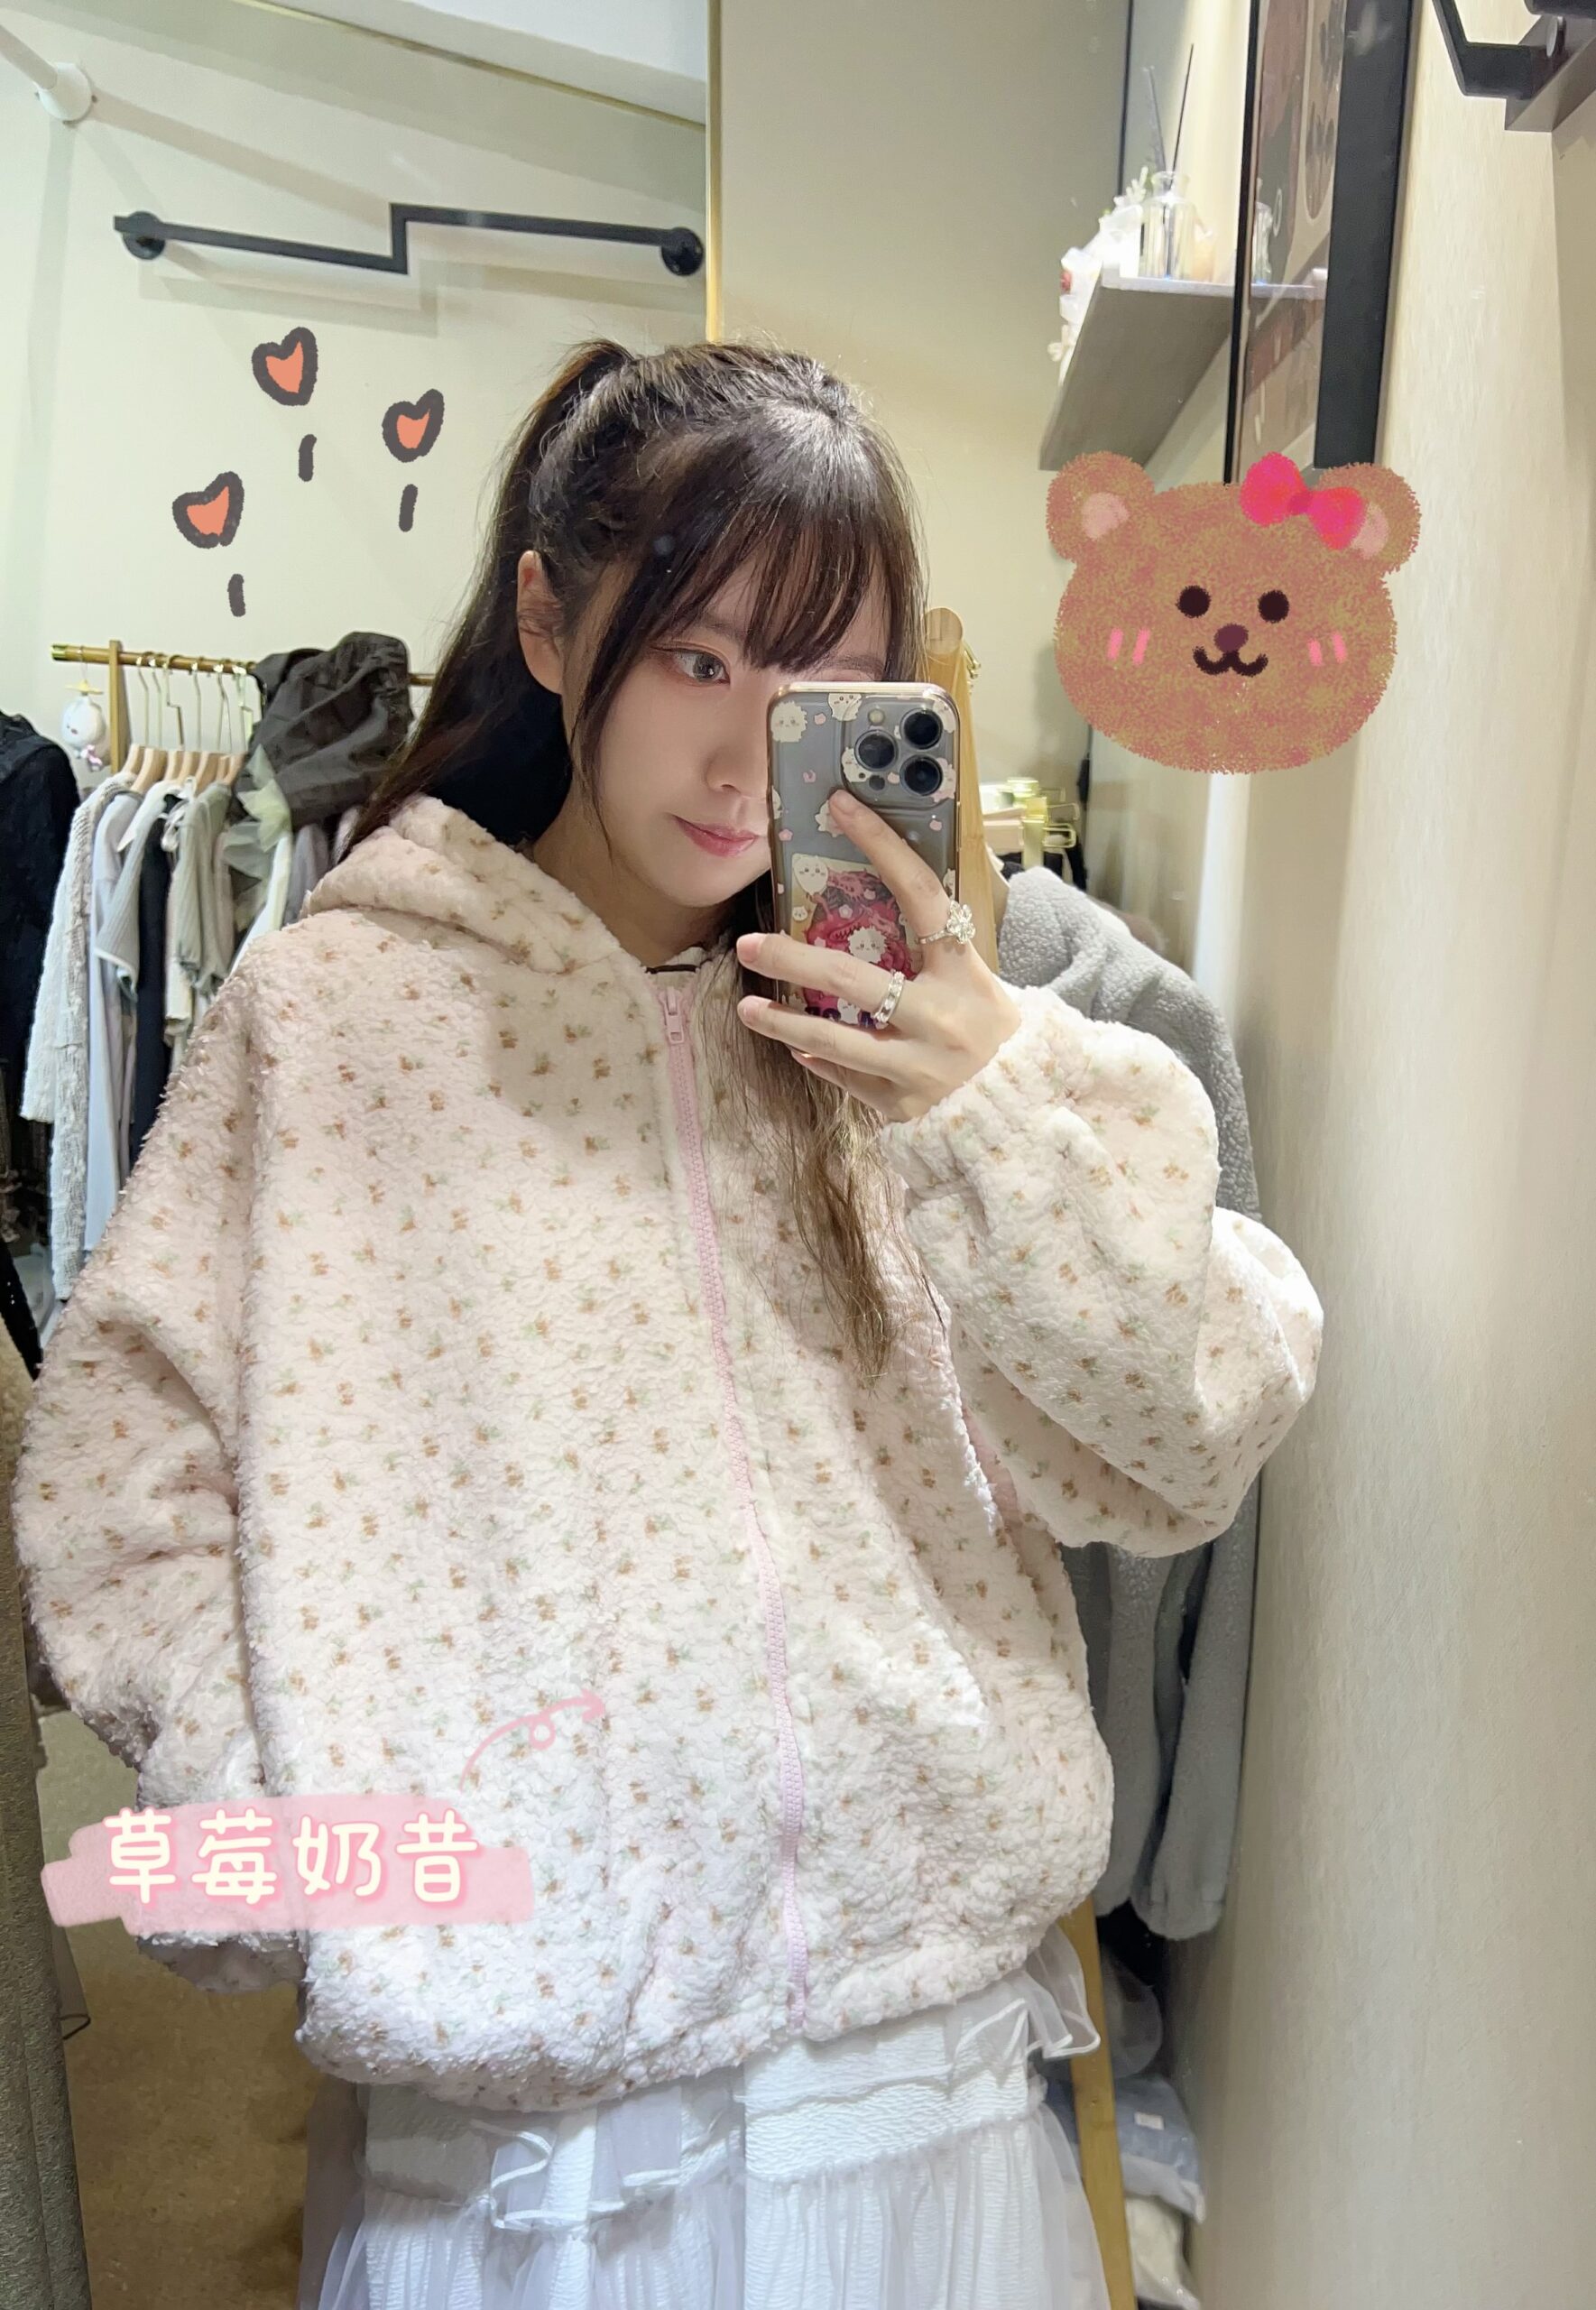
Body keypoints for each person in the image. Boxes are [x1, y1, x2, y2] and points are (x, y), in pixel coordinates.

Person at [12, 338, 1324, 2310]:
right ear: (550, 622)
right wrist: (295, 1823)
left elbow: (1191, 1431)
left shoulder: (938, 1039)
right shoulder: (340, 1020)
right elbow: (119, 1483)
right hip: (528, 2134)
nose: (741, 758)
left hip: (919, 2070)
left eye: (815, 683)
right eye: (696, 658)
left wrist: (985, 1094)